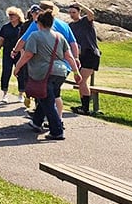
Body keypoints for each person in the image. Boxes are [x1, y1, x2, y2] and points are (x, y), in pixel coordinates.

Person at [14, 9, 82, 140]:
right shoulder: (59, 37)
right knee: (45, 97)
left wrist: (17, 67)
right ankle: (36, 122)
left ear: (39, 23)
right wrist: (76, 72)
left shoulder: (35, 35)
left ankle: (57, 131)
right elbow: (69, 56)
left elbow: (28, 54)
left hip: (44, 73)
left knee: (48, 101)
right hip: (61, 72)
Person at [68, 2, 100, 115]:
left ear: (79, 12)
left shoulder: (85, 21)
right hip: (81, 56)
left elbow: (91, 14)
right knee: (80, 81)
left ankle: (86, 108)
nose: (72, 14)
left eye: (74, 12)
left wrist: (81, 4)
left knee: (82, 81)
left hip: (91, 54)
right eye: (70, 12)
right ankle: (83, 105)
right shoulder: (70, 26)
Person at [0, 7, 25, 103]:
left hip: (20, 52)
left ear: (18, 16)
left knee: (20, 72)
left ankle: (21, 93)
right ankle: (5, 94)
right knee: (6, 71)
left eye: (13, 15)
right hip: (7, 51)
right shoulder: (5, 27)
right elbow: (1, 39)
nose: (11, 17)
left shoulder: (23, 27)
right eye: (9, 15)